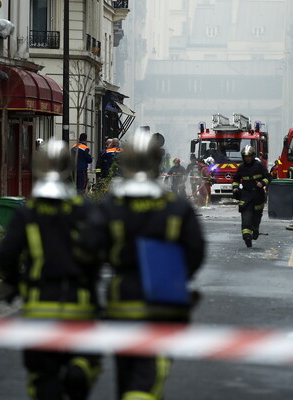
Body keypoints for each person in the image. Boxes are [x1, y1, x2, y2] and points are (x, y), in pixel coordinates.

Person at [82, 129, 205, 400]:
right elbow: (196, 252)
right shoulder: (176, 207)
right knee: (150, 369)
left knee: (125, 367)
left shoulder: (111, 206)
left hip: (121, 298)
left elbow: (89, 248)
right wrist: (176, 277)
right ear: (156, 163)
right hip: (164, 302)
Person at [0, 139, 101, 400]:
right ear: (69, 167)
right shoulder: (83, 209)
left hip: (39, 300)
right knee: (87, 355)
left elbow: (5, 254)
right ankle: (80, 367)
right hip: (79, 299)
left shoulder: (28, 212)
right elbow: (99, 249)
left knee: (42, 372)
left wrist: (15, 282)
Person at [232, 146, 271, 248]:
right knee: (246, 217)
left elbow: (268, 177)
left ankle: (255, 229)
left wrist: (262, 183)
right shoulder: (241, 167)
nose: (247, 158)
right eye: (245, 156)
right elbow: (235, 179)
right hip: (245, 195)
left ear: (252, 156)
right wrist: (235, 188)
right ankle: (247, 237)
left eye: (249, 156)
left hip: (258, 196)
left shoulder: (259, 166)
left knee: (256, 217)